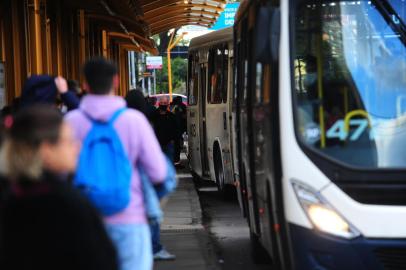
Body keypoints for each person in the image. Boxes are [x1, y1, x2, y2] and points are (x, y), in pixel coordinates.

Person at [66, 57, 167, 270]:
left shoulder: (70, 123)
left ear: (85, 84)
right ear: (117, 81)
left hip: (82, 221)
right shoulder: (134, 121)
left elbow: (57, 175)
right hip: (130, 220)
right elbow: (158, 173)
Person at [0, 105, 118, 270]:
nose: (77, 147)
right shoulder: (70, 204)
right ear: (46, 150)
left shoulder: (11, 198)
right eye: (68, 141)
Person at [126, 89, 176, 261]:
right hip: (141, 181)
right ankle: (154, 247)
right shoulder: (142, 123)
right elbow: (159, 172)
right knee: (152, 210)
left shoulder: (113, 122)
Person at [151, 97, 178, 161]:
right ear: (159, 103)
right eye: (162, 103)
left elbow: (176, 129)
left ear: (168, 104)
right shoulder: (153, 115)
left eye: (165, 103)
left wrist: (173, 140)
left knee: (169, 162)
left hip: (169, 144)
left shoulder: (172, 116)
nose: (163, 104)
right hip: (157, 144)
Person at [171, 96, 187, 166]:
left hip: (173, 130)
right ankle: (176, 162)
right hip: (178, 130)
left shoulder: (171, 106)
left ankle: (174, 161)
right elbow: (184, 117)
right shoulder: (181, 107)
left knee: (174, 147)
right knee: (177, 147)